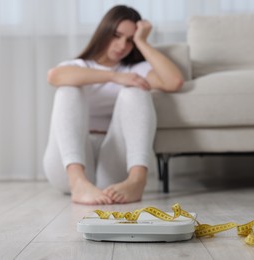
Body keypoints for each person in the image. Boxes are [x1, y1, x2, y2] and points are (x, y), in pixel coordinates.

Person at [43, 5, 183, 205]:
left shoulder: (135, 69)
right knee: (68, 89)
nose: (121, 46)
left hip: (112, 160)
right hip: (68, 161)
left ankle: (137, 180)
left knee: (136, 88)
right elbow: (54, 76)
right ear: (104, 32)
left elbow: (173, 81)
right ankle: (78, 183)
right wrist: (115, 77)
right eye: (116, 36)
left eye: (129, 40)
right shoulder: (82, 66)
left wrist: (142, 41)